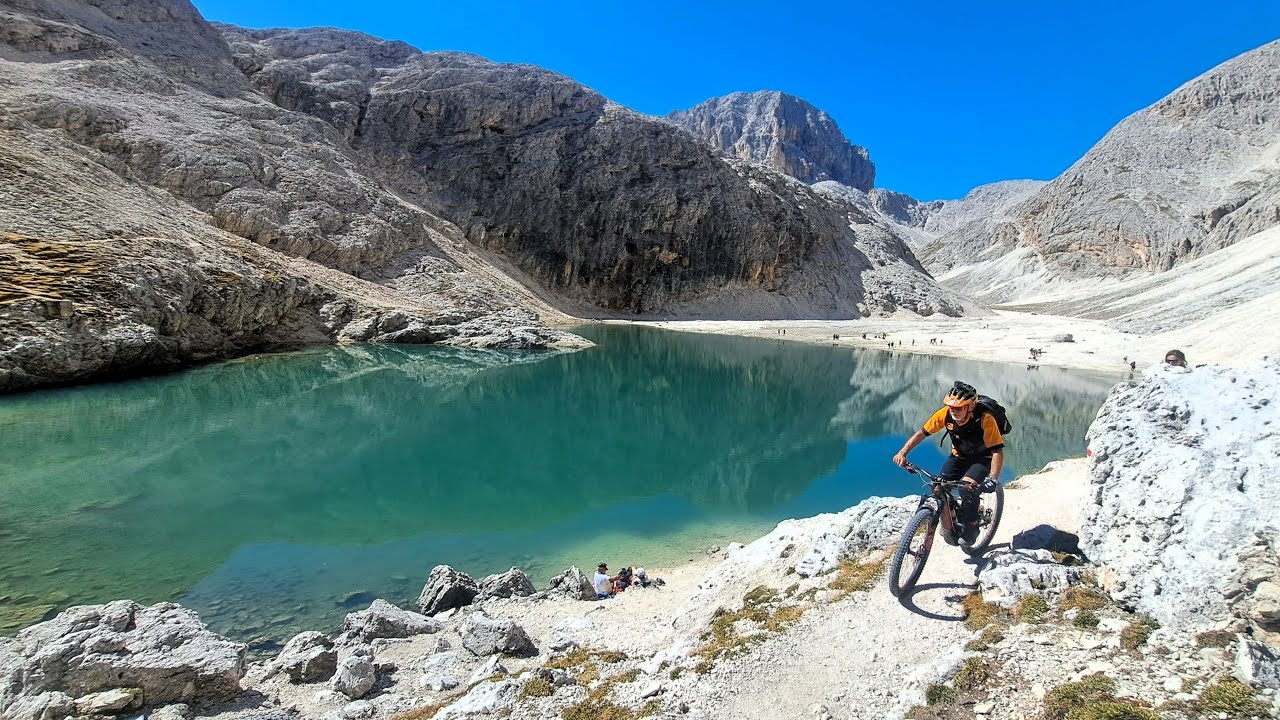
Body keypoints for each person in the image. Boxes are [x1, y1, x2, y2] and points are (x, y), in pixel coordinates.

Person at [891, 381, 1005, 543]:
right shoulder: (945, 414)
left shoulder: (985, 419)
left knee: (967, 489)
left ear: (970, 406)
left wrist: (993, 478)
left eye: (959, 407)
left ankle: (972, 526)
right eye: (951, 407)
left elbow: (997, 451)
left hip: (983, 458)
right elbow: (922, 433)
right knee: (938, 487)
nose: (954, 411)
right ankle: (948, 522)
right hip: (959, 456)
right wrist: (903, 453)